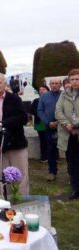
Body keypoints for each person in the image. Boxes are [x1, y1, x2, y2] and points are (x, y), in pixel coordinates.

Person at [55, 69, 79, 200]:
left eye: (77, 79)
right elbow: (58, 112)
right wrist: (67, 124)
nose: (75, 82)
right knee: (72, 162)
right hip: (68, 134)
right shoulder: (64, 95)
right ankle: (75, 188)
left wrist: (75, 124)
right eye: (72, 79)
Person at [38, 79, 62, 181]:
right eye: (52, 83)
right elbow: (40, 110)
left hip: (64, 126)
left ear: (60, 85)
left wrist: (61, 122)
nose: (54, 85)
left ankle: (72, 173)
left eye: (57, 83)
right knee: (50, 149)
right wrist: (48, 122)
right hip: (49, 126)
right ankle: (52, 171)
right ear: (49, 85)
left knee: (70, 150)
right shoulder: (44, 96)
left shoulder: (65, 95)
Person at [30, 85, 49, 163]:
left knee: (51, 140)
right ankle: (44, 157)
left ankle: (54, 156)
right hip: (40, 123)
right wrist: (41, 114)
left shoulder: (51, 99)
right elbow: (32, 110)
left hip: (49, 122)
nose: (41, 91)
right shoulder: (36, 101)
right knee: (43, 140)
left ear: (48, 90)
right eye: (40, 89)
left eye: (44, 89)